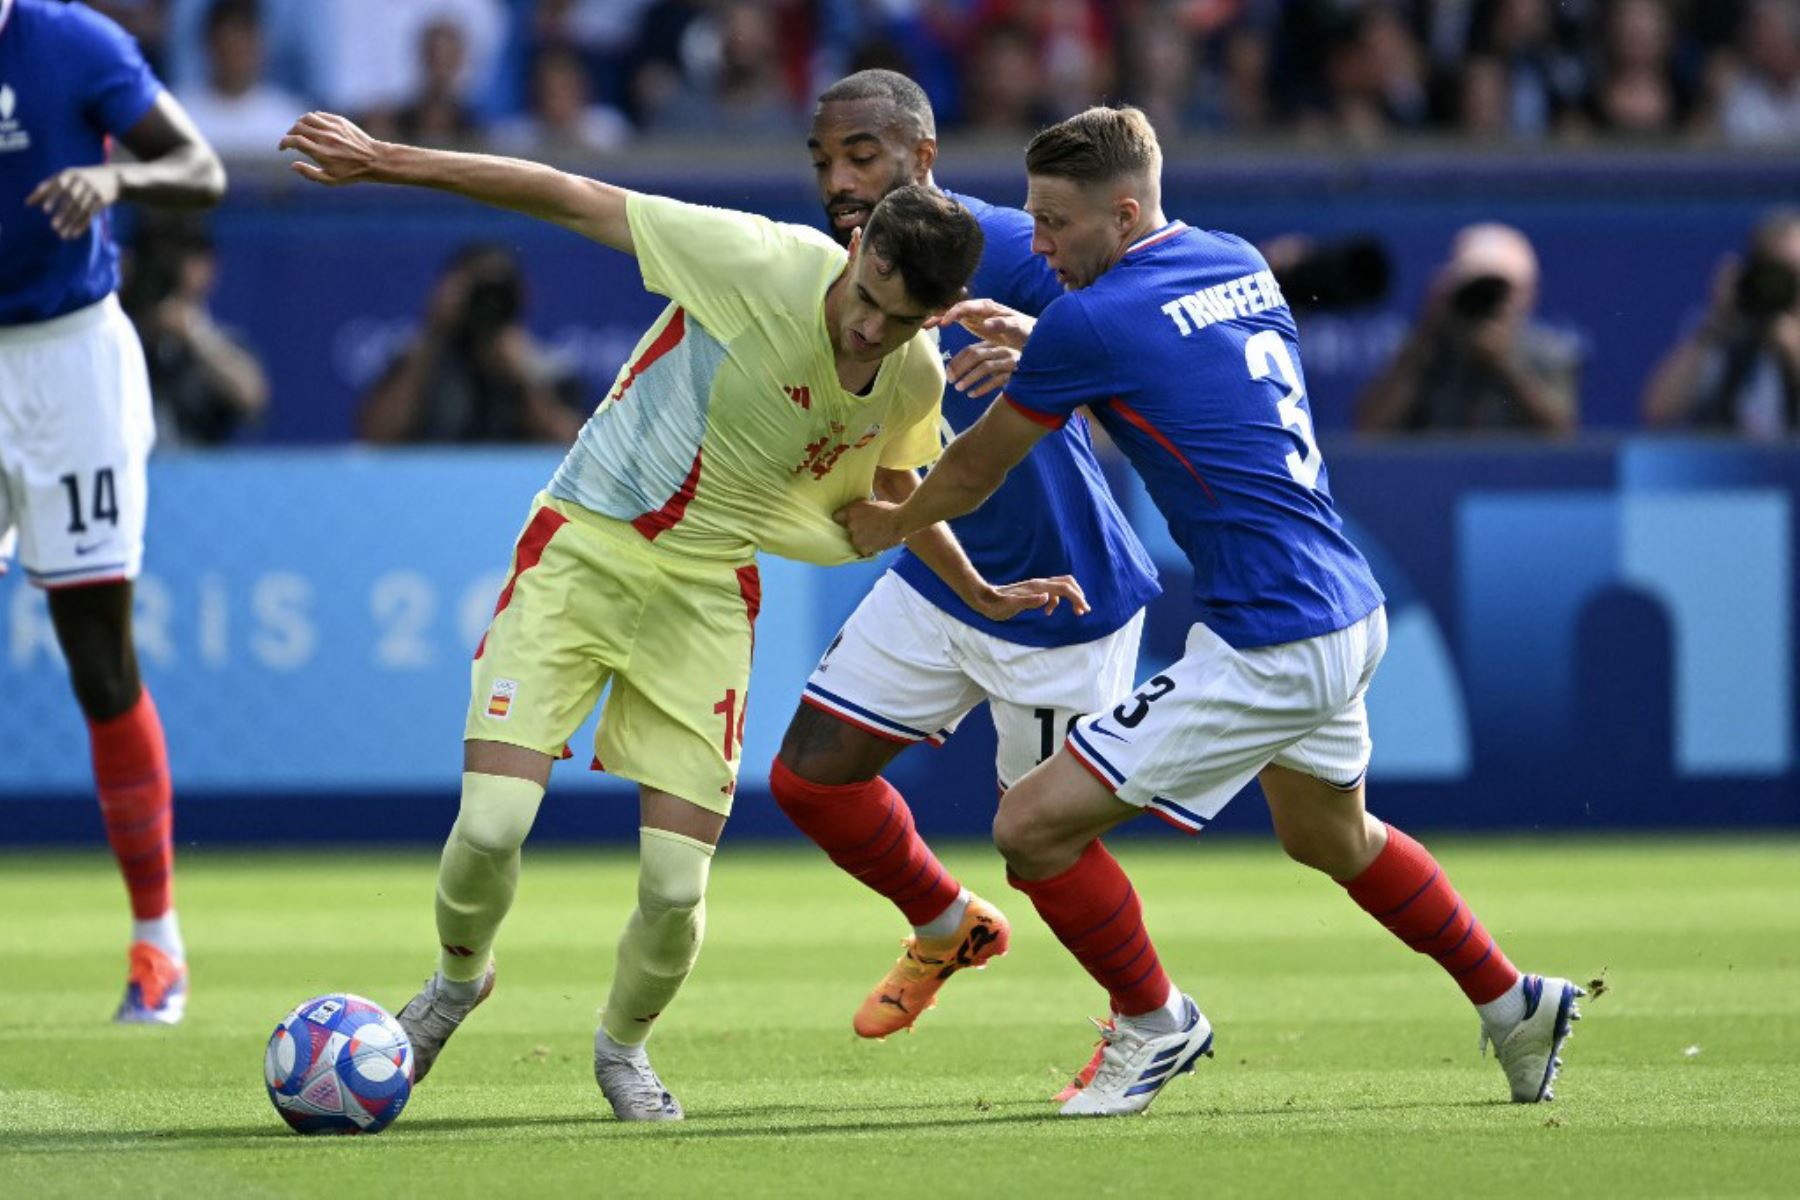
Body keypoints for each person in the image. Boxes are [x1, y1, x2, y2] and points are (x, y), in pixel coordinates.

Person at [280, 108, 1077, 1120]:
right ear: (859, 245)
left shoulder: (912, 372)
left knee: (673, 888)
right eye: (868, 296)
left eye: (901, 317)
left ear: (942, 310)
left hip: (706, 596)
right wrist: (386, 160)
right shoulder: (756, 260)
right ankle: (453, 982)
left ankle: (623, 1051)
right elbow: (568, 193)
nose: (870, 328)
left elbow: (895, 492)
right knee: (490, 827)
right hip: (584, 549)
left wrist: (978, 591)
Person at [843, 105, 1583, 1117]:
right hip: (1345, 606)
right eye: (1033, 218)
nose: (1040, 244)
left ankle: (1153, 1027)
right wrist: (1046, 343)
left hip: (1272, 636)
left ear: (1126, 210)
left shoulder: (1091, 322)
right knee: (1334, 837)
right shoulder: (1233, 259)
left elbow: (971, 470)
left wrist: (892, 522)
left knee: (1030, 829)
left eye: (1056, 224)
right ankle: (1515, 1003)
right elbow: (1173, 375)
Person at [769, 70, 1160, 1039]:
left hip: (1056, 597)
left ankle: (1150, 1019)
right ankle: (946, 925)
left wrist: (1047, 355)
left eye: (863, 153)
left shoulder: (1005, 246)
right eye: (825, 160)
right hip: (947, 573)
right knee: (809, 775)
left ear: (923, 157)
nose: (841, 178)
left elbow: (1148, 330)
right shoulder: (830, 278)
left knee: (1042, 847)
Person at [0, 0, 226, 1023]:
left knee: (97, 655)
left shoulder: (70, 42)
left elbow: (201, 169)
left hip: (67, 365)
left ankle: (157, 944)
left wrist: (116, 177)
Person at [1356, 222, 1580, 433]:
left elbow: (1562, 435)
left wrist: (1505, 366)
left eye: (1501, 291)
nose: (1488, 300)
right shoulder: (1427, 349)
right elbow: (1369, 429)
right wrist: (1426, 338)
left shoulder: (1548, 352)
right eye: (1478, 288)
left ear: (1528, 294)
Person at [358, 243, 585, 445]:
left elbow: (570, 447)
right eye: (478, 291)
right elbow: (376, 436)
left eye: (497, 291)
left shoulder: (547, 367)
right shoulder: (417, 358)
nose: (488, 303)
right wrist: (434, 336)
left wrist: (523, 379)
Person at [1643, 209, 1800, 437]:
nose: (1781, 284)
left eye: (1794, 272)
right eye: (1774, 271)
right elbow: (1658, 411)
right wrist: (1716, 322)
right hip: (1735, 470)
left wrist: (1793, 348)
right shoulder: (1725, 335)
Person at [121, 216, 269, 446]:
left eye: (186, 254)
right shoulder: (117, 333)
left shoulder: (218, 341)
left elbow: (252, 397)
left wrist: (193, 333)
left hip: (197, 471)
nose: (172, 265)